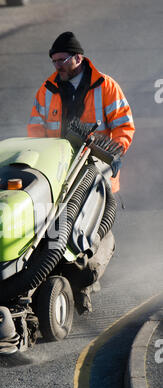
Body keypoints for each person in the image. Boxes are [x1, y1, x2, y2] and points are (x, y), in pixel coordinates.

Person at [28, 31, 135, 314]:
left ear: (78, 57)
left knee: (92, 237)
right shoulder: (48, 89)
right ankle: (49, 282)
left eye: (62, 60)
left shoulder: (106, 86)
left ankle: (85, 285)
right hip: (58, 174)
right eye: (53, 61)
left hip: (96, 177)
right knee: (53, 233)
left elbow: (124, 127)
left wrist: (111, 153)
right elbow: (35, 128)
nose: (57, 66)